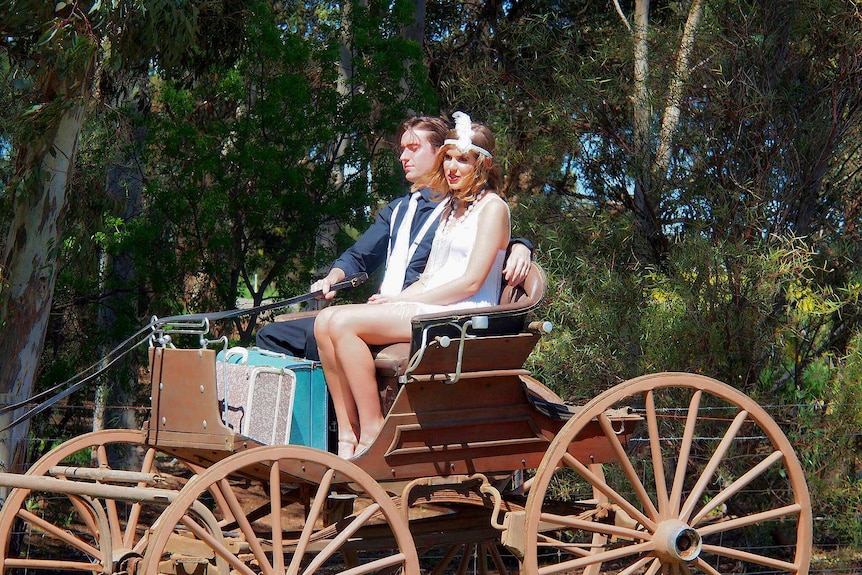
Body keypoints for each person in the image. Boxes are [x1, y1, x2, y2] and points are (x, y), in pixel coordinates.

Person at [315, 112, 511, 458]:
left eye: (462, 160)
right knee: (324, 321)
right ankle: (347, 435)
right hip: (435, 305)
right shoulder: (453, 208)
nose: (451, 167)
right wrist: (397, 298)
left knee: (344, 324)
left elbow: (470, 282)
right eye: (448, 158)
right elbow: (432, 274)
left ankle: (373, 429)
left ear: (481, 165)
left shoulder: (493, 209)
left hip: (463, 313)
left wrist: (403, 302)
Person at [255, 116, 532, 360]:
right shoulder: (399, 209)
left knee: (320, 335)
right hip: (387, 307)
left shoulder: (463, 207)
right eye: (402, 149)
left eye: (413, 148)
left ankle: (331, 419)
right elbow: (360, 255)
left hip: (422, 311)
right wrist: (333, 277)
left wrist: (521, 245)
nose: (403, 157)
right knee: (272, 335)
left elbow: (490, 238)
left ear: (440, 153)